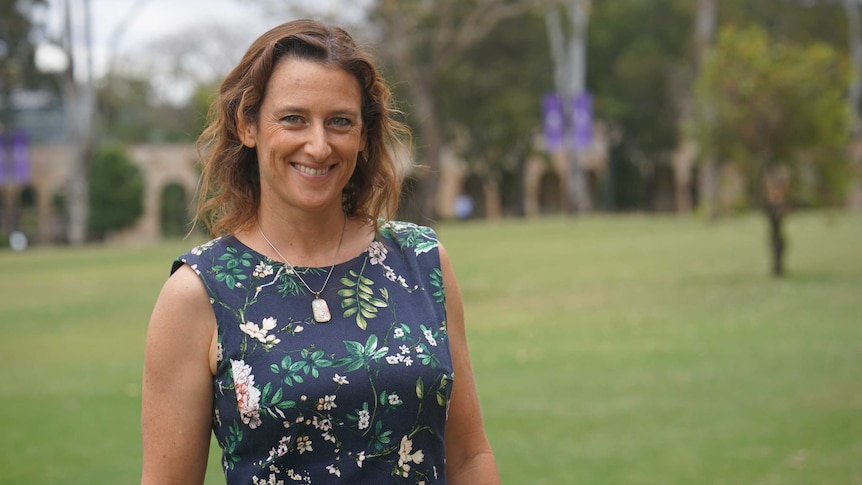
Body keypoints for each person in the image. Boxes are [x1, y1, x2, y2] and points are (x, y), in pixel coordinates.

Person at [141, 19, 499, 484]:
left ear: (364, 135)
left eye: (340, 122)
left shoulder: (422, 261)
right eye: (293, 119)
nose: (318, 145)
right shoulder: (199, 293)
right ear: (247, 125)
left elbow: (469, 457)